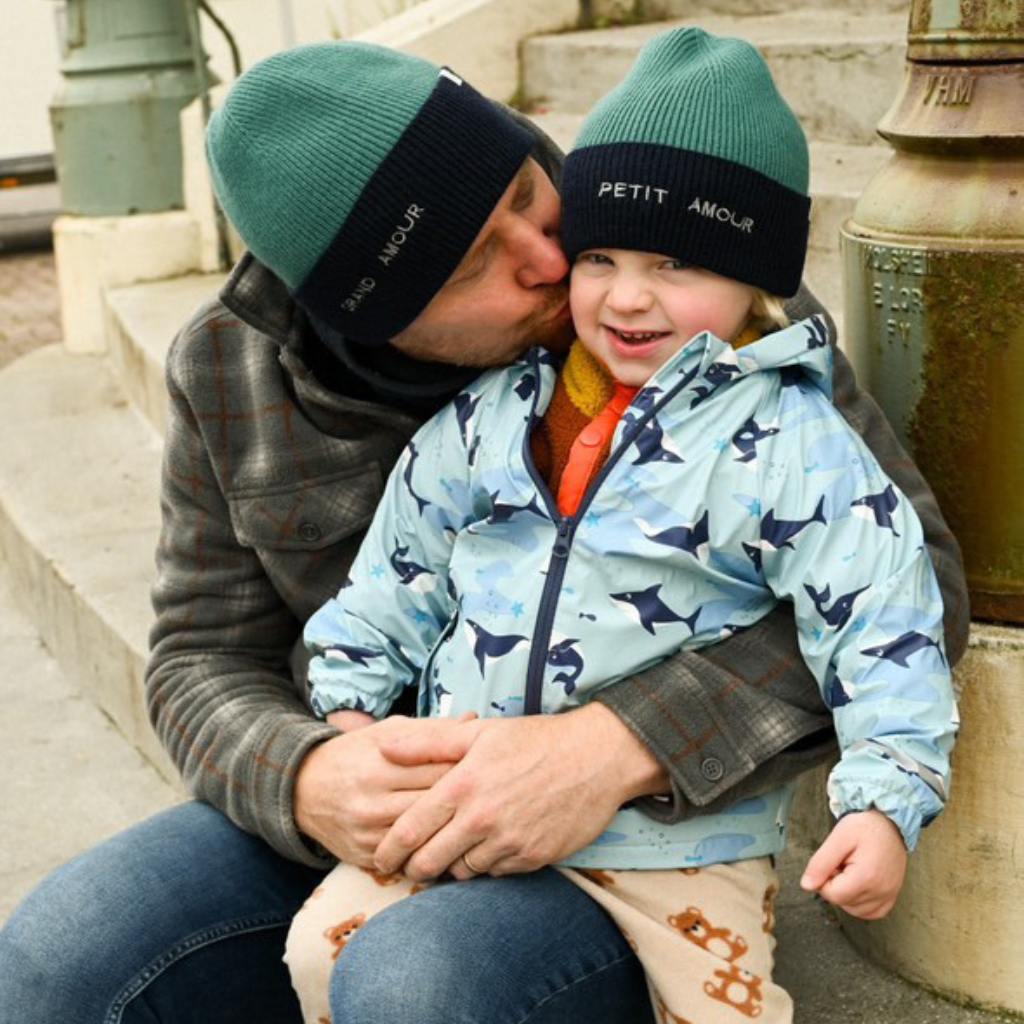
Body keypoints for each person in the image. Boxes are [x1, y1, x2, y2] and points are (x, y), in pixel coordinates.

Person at [0, 37, 968, 1024]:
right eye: (474, 264)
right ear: (373, 321)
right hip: (375, 815)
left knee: (420, 983)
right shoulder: (230, 366)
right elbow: (200, 654)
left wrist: (617, 744)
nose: (555, 260)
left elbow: (907, 577)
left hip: (626, 851)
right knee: (55, 962)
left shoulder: (679, 266)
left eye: (521, 189)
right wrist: (309, 774)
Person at [280, 27, 958, 1024]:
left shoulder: (788, 437)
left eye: (675, 262)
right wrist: (346, 702)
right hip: (463, 806)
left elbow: (881, 611)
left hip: (677, 852)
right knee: (319, 954)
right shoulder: (490, 418)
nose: (627, 295)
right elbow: (398, 572)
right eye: (597, 255)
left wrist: (883, 802)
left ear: (755, 280)